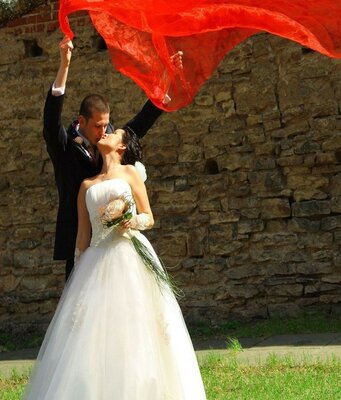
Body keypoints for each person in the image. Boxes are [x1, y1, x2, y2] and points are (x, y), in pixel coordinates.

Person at [24, 128, 206, 399]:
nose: (106, 133)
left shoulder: (130, 174)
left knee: (137, 322)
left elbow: (148, 217)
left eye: (113, 132)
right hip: (96, 261)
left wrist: (128, 222)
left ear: (122, 147)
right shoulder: (86, 186)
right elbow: (82, 237)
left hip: (129, 253)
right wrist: (77, 278)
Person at [44, 36, 182, 280]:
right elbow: (50, 120)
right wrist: (64, 66)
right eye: (98, 126)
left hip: (115, 240)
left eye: (107, 125)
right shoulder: (64, 146)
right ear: (82, 121)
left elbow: (142, 122)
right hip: (79, 235)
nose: (104, 132)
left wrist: (167, 79)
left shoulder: (110, 138)